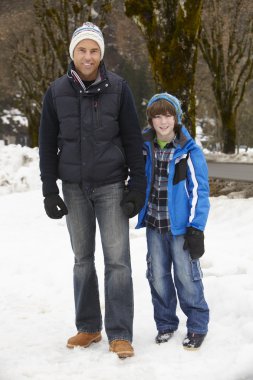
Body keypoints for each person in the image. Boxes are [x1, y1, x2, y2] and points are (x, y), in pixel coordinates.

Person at [39, 22, 146, 359]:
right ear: (73, 53)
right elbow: (45, 145)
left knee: (118, 262)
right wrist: (49, 189)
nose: (88, 56)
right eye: (82, 50)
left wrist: (137, 185)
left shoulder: (119, 88)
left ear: (101, 55)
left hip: (112, 186)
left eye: (94, 50)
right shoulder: (56, 92)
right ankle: (88, 326)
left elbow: (132, 139)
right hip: (73, 188)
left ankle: (120, 333)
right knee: (82, 260)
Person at [136, 92, 210, 350]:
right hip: (155, 226)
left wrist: (197, 227)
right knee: (157, 276)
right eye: (157, 116)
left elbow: (203, 190)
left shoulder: (189, 151)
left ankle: (198, 325)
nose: (163, 121)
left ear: (177, 118)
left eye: (168, 115)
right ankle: (166, 324)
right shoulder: (145, 147)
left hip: (181, 228)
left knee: (186, 277)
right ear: (151, 120)